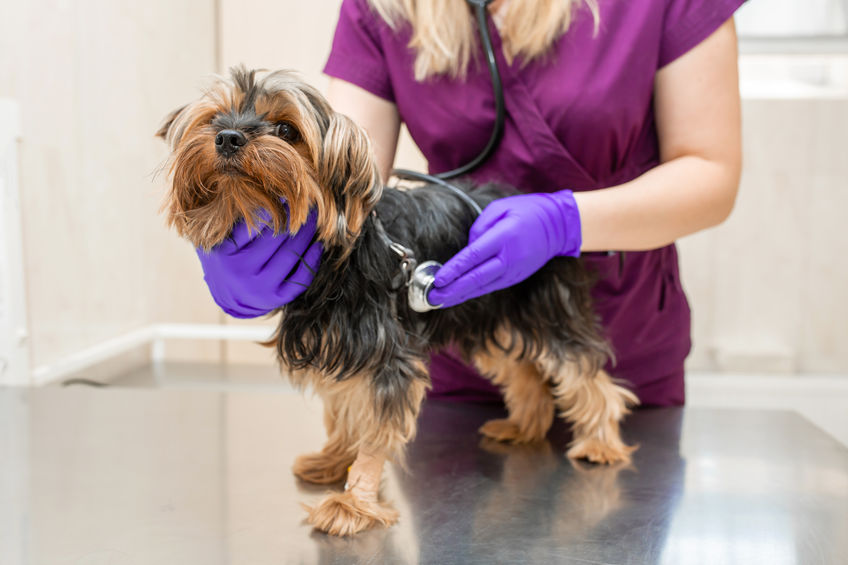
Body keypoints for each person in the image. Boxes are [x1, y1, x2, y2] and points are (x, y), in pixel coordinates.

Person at [197, 0, 744, 406]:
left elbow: (711, 174)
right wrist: (265, 241)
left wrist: (565, 222)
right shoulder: (382, 9)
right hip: (448, 343)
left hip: (623, 336)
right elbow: (349, 173)